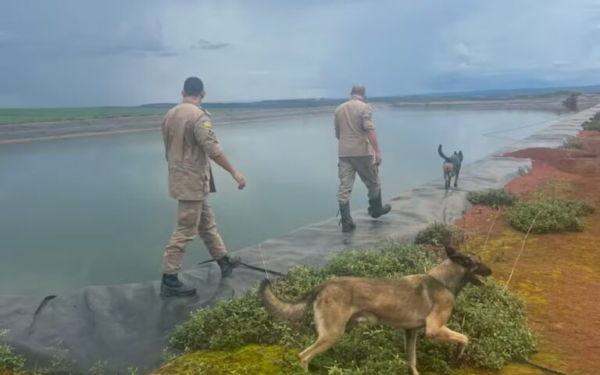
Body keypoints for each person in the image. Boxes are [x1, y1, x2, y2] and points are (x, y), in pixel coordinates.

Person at [160, 77, 246, 297]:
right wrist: (234, 172)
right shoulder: (199, 116)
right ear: (203, 94)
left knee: (206, 223)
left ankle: (223, 260)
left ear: (182, 91)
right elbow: (212, 148)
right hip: (192, 181)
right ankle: (169, 278)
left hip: (181, 178)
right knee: (185, 229)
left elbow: (169, 148)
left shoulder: (169, 115)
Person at [335, 84, 391, 232]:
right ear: (363, 95)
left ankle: (346, 222)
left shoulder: (339, 109)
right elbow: (369, 130)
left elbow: (338, 134)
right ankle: (376, 209)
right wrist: (377, 151)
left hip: (344, 153)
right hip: (362, 152)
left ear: (351, 93)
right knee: (373, 182)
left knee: (344, 187)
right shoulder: (365, 107)